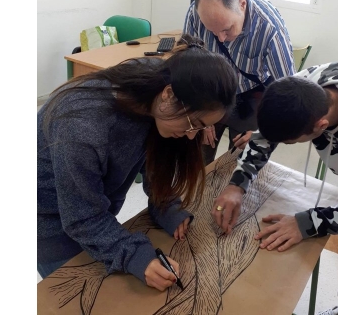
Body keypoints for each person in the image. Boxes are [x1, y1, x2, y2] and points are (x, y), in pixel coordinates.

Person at [37, 34, 237, 291]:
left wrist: (166, 205)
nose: (190, 135)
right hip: (47, 221)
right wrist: (134, 256)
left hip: (89, 207)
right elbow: (82, 217)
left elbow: (151, 148)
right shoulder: (83, 127)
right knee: (79, 298)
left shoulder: (160, 84)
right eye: (193, 124)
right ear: (168, 95)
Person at [213, 62, 338, 315]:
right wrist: (237, 185)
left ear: (320, 126)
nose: (285, 143)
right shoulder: (306, 84)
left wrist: (307, 222)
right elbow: (265, 135)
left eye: (292, 141)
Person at [183, 0, 295, 165]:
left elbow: (289, 92)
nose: (220, 38)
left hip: (251, 93)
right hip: (211, 90)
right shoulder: (196, 13)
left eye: (226, 29)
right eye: (212, 31)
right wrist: (197, 111)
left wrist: (262, 134)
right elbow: (189, 65)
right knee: (197, 158)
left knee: (237, 160)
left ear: (242, 3)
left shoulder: (270, 29)